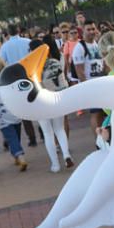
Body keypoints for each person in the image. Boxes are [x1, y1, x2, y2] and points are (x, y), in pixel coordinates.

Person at [31, 37, 74, 172]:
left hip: (41, 103)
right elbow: (63, 83)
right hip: (57, 99)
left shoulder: (30, 68)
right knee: (59, 129)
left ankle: (55, 164)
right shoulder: (55, 62)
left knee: (48, 133)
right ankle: (66, 155)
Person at [0, 56, 28, 171]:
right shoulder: (10, 78)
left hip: (1, 114)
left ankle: (20, 156)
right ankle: (16, 155)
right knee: (16, 134)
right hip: (14, 111)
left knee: (11, 137)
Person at [72, 20, 106, 131]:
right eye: (88, 29)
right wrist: (86, 87)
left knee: (103, 112)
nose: (91, 31)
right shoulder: (79, 47)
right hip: (91, 85)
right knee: (95, 113)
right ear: (83, 31)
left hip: (102, 83)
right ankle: (98, 140)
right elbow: (79, 70)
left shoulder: (97, 44)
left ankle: (104, 139)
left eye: (93, 29)